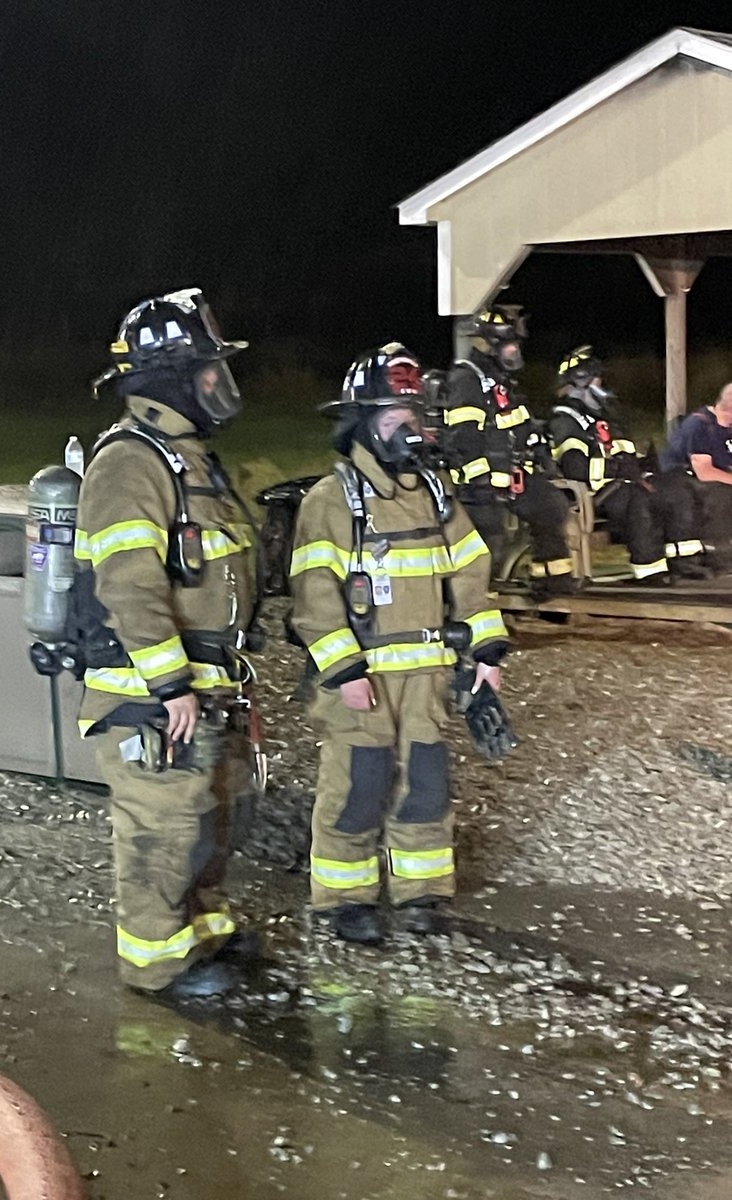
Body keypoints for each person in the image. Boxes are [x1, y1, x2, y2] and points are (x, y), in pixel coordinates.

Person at [289, 343, 515, 946]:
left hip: (428, 672)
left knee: (426, 783)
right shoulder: (333, 500)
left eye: (416, 415)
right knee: (358, 785)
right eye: (397, 416)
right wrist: (342, 671)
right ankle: (343, 900)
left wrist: (487, 652)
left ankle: (421, 896)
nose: (412, 428)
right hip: (363, 679)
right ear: (363, 420)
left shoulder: (435, 495)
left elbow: (472, 572)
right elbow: (314, 596)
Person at [73, 288, 261, 999]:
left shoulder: (192, 462)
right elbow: (129, 583)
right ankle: (156, 967)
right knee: (161, 827)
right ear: (169, 377)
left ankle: (203, 931)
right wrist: (169, 683)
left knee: (215, 816)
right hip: (150, 696)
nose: (219, 383)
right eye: (207, 370)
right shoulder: (131, 462)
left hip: (206, 684)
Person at [445, 306, 576, 597]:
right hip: (480, 482)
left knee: (551, 507)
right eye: (509, 346)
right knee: (492, 535)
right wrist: (480, 480)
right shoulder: (467, 379)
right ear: (490, 346)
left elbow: (522, 425)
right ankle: (476, 599)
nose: (514, 352)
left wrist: (542, 457)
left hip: (513, 475)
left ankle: (552, 582)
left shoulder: (503, 382)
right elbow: (464, 435)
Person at [550, 346, 710, 584]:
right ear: (580, 383)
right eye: (597, 379)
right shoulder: (566, 421)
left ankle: (684, 560)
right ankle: (648, 570)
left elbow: (625, 455)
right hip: (595, 493)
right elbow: (575, 468)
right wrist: (617, 470)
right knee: (640, 498)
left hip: (625, 482)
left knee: (677, 486)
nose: (602, 384)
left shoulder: (608, 419)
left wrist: (646, 464)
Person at [662, 383, 732, 564]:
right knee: (723, 495)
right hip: (682, 482)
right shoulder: (700, 424)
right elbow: (704, 472)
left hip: (714, 480)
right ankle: (718, 555)